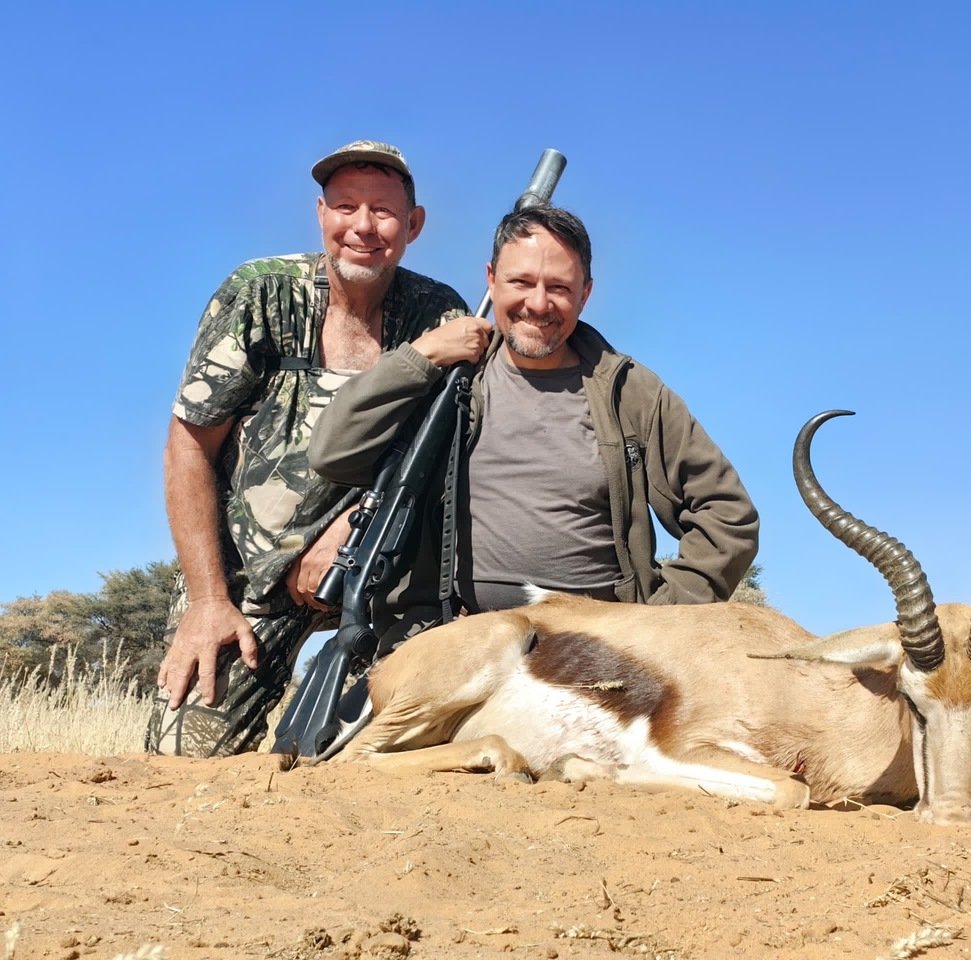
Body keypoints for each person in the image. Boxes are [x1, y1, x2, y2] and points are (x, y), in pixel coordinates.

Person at [147, 140, 492, 757]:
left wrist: (347, 530)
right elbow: (188, 448)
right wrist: (207, 601)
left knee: (408, 754)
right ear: (321, 214)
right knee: (181, 761)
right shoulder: (258, 294)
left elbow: (437, 457)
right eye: (345, 206)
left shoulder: (440, 311)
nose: (363, 226)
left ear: (413, 225)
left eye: (383, 212)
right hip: (248, 583)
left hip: (378, 571)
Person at [308, 203, 758, 639]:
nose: (538, 304)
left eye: (559, 288)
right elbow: (333, 452)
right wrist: (421, 355)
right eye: (520, 281)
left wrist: (656, 625)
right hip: (448, 637)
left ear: (586, 293)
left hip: (595, 652)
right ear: (491, 279)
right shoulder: (446, 377)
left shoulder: (632, 392)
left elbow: (728, 517)